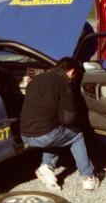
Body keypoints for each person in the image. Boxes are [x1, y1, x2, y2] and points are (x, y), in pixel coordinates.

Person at [20, 57, 97, 192]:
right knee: (76, 135)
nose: (74, 79)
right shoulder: (64, 84)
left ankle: (47, 168)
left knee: (58, 134)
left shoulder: (37, 79)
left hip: (25, 134)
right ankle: (88, 177)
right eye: (75, 75)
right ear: (71, 71)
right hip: (44, 135)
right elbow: (67, 118)